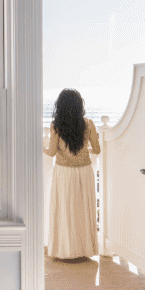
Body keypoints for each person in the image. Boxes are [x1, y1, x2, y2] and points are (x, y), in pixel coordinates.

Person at [44, 88, 101, 260]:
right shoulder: (88, 124)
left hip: (64, 173)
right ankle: (84, 250)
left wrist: (40, 146)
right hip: (84, 171)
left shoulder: (56, 126)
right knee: (83, 211)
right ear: (79, 105)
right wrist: (83, 150)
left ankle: (65, 250)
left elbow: (51, 152)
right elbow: (97, 149)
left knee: (65, 211)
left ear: (60, 106)